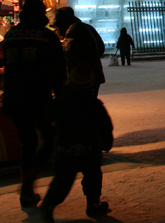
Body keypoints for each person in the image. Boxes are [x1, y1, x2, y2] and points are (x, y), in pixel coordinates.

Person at [3, 0, 66, 208]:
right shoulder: (47, 36)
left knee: (28, 143)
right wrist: (61, 101)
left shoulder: (10, 35)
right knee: (47, 140)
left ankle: (26, 190)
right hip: (38, 98)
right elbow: (58, 73)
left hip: (14, 98)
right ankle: (28, 187)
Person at [37, 64, 114, 223]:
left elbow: (48, 116)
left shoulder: (60, 102)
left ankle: (48, 206)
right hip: (89, 148)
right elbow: (106, 127)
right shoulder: (95, 106)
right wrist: (107, 143)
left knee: (62, 181)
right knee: (93, 177)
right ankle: (93, 203)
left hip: (65, 148)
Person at [53, 7, 106, 96]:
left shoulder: (73, 30)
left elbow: (68, 55)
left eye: (57, 27)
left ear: (62, 22)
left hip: (83, 76)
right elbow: (101, 48)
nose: (57, 31)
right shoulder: (84, 26)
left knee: (83, 104)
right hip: (91, 74)